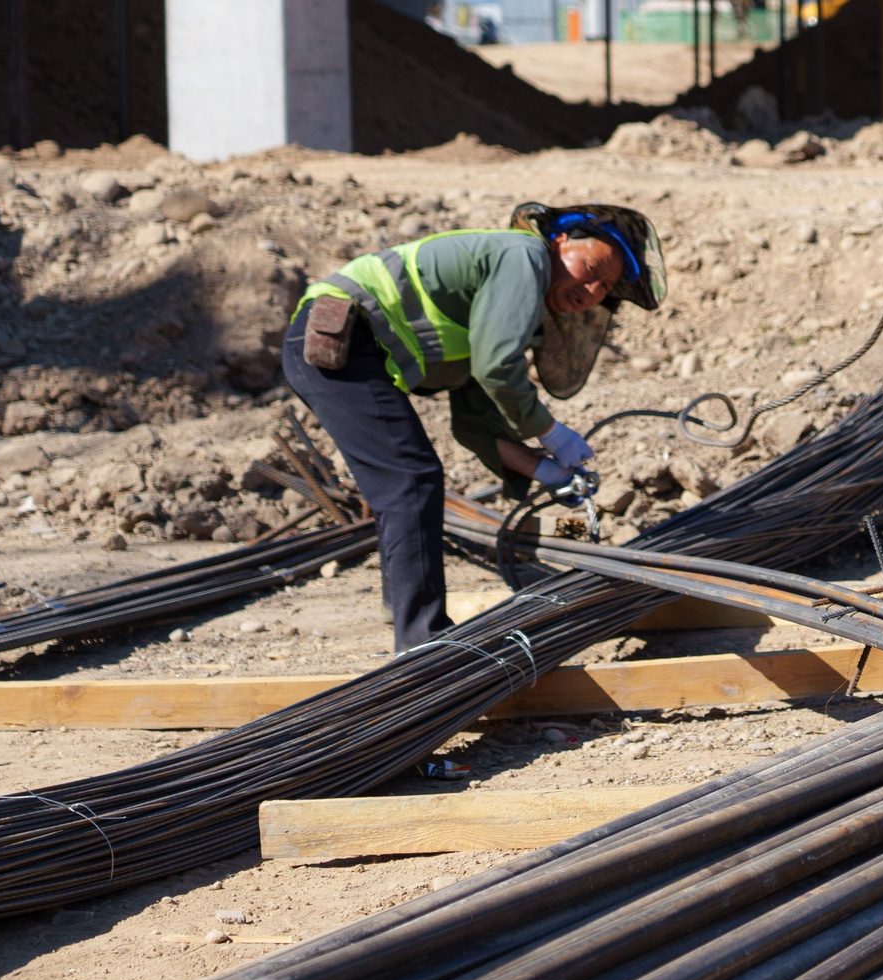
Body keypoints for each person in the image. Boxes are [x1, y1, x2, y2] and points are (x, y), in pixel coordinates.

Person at [281, 202, 666, 652]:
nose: (594, 287)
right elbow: (497, 369)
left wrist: (543, 470)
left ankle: (403, 611)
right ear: (560, 242)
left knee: (407, 479)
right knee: (410, 479)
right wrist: (552, 433)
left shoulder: (499, 308)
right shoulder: (524, 257)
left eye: (606, 287)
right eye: (592, 266)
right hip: (337, 335)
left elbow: (476, 424)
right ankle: (423, 643)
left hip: (350, 348)